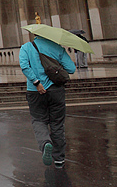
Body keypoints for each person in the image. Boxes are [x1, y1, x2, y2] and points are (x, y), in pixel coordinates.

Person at [18, 29, 76, 169]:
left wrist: (37, 82)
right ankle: (59, 160)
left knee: (39, 120)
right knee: (57, 124)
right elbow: (71, 69)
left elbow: (24, 66)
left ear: (35, 34)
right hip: (56, 90)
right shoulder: (57, 47)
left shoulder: (26, 47)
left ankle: (45, 144)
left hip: (35, 91)